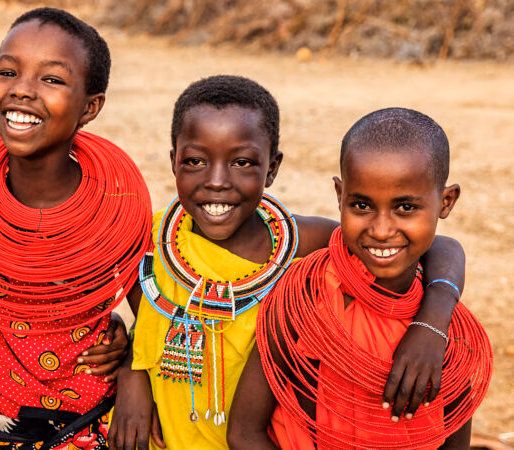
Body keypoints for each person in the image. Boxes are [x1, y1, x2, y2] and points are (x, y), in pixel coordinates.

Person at [108, 77, 468, 450]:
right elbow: (145, 325)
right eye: (195, 161)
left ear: (272, 167)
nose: (217, 182)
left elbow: (442, 248)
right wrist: (131, 373)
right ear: (173, 162)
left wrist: (432, 324)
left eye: (243, 162)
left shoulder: (305, 244)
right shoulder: (150, 242)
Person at [0, 8, 151, 450]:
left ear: (90, 107)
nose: (22, 89)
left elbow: (152, 314)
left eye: (51, 79)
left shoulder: (112, 209)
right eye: (8, 71)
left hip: (87, 428)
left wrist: (131, 369)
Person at [227, 107, 492, 449]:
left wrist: (432, 327)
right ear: (340, 196)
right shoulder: (302, 300)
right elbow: (243, 433)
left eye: (406, 208)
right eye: (362, 206)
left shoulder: (452, 340)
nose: (381, 230)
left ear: (446, 201)